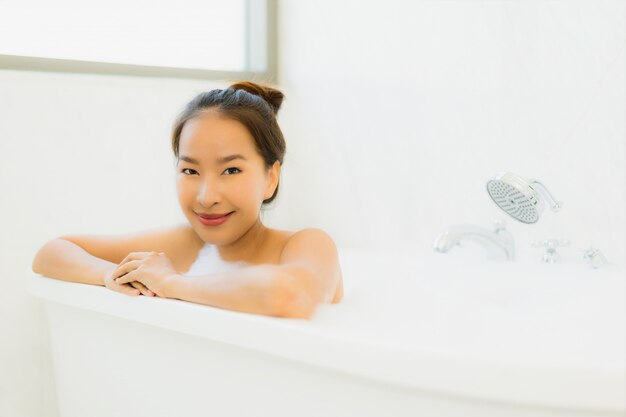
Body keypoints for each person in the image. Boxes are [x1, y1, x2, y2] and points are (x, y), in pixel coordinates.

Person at [32, 81, 344, 319]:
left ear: (271, 178)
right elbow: (52, 252)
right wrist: (110, 275)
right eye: (190, 170)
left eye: (231, 169)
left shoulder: (306, 245)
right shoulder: (188, 243)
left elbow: (289, 295)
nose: (206, 197)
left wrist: (172, 282)